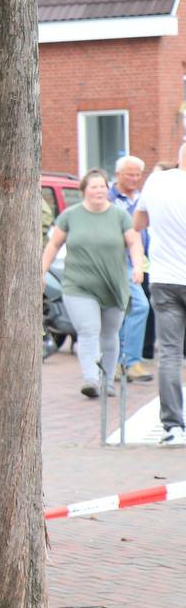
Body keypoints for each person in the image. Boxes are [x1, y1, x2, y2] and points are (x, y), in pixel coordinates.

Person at [42, 169, 144, 399]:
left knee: (110, 333)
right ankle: (91, 379)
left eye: (102, 186)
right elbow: (53, 245)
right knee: (88, 330)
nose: (99, 191)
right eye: (93, 186)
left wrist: (137, 266)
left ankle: (107, 380)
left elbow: (134, 242)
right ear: (84, 191)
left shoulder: (119, 216)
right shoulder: (71, 216)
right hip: (79, 285)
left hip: (113, 284)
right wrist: (41, 271)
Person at [134, 144, 186, 446]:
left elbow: (138, 223)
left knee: (169, 353)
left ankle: (172, 426)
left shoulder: (156, 181)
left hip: (164, 279)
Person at [109, 156, 152, 382]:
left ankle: (121, 361)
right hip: (118, 261)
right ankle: (130, 360)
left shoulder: (142, 198)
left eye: (138, 175)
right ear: (118, 175)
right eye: (130, 174)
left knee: (129, 309)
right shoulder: (109, 198)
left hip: (141, 262)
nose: (135, 179)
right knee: (139, 306)